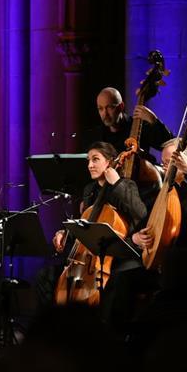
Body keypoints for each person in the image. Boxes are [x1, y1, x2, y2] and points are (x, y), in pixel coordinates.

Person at [50, 141, 149, 329]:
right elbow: (85, 224)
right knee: (45, 278)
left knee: (116, 287)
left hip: (120, 257)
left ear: (110, 162)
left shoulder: (126, 185)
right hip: (87, 260)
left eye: (95, 159)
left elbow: (141, 213)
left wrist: (117, 183)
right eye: (88, 160)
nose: (90, 165)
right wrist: (65, 233)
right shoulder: (90, 190)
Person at [132, 137, 187, 263]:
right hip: (176, 258)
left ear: (185, 161)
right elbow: (149, 220)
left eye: (169, 162)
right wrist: (136, 237)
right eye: (162, 162)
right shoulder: (166, 190)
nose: (163, 168)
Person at [79, 87, 173, 163]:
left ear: (121, 107)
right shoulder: (95, 136)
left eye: (109, 108)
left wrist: (154, 121)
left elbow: (171, 146)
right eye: (100, 108)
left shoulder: (139, 126)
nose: (105, 113)